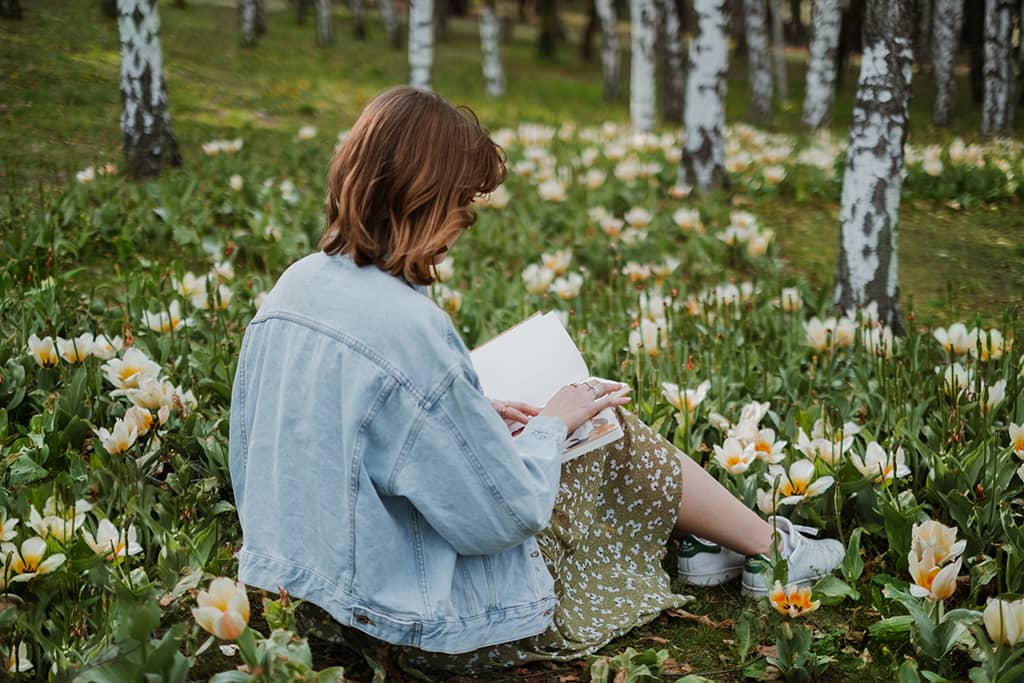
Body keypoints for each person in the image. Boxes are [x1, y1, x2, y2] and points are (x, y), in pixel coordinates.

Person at [227, 86, 844, 675]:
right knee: (605, 425)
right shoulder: (410, 327)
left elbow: (283, 443)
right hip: (414, 624)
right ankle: (773, 550)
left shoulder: (294, 286)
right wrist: (553, 423)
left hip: (305, 603)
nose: (463, 224)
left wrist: (470, 412)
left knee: (566, 426)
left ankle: (711, 546)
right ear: (423, 198)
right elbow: (502, 518)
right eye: (460, 204)